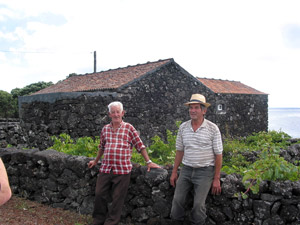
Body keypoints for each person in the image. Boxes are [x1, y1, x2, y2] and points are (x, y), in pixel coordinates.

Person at [88, 101, 160, 225]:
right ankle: (98, 220)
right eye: (113, 112)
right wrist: (95, 161)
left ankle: (111, 222)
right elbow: (102, 147)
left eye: (118, 112)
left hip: (122, 170)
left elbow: (140, 145)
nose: (116, 114)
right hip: (106, 168)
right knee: (99, 194)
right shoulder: (105, 129)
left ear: (123, 113)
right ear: (109, 114)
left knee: (117, 199)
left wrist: (148, 161)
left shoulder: (129, 128)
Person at [170, 94, 223, 225]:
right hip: (186, 169)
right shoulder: (183, 127)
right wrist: (174, 171)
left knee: (199, 205)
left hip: (205, 171)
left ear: (204, 111)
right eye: (191, 107)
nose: (192, 110)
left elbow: (218, 154)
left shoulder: (212, 128)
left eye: (196, 108)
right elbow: (180, 151)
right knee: (177, 200)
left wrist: (216, 178)